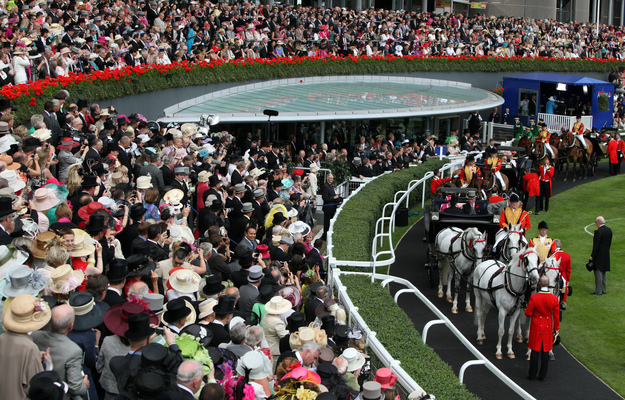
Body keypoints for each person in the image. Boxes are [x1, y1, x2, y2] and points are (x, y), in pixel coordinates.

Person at [525, 275, 560, 382]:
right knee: (545, 351)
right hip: (548, 325)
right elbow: (556, 316)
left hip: (536, 325)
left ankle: (532, 375)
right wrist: (556, 329)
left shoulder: (534, 298)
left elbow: (528, 313)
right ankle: (542, 376)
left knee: (534, 351)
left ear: (539, 284)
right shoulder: (554, 299)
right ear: (548, 284)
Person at [590, 216, 612, 295]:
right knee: (604, 272)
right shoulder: (609, 230)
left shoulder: (598, 232)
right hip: (606, 254)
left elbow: (596, 246)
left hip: (599, 255)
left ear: (599, 222)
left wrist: (592, 255)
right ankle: (603, 289)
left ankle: (598, 291)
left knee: (598, 273)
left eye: (596, 222)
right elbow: (609, 243)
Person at [551, 239, 571, 306]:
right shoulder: (567, 255)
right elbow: (568, 270)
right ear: (561, 245)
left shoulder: (552, 255)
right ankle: (562, 303)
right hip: (563, 277)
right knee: (562, 292)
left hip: (553, 276)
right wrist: (568, 280)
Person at [321, 173, 341, 241]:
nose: (332, 180)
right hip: (328, 208)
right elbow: (325, 198)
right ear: (327, 179)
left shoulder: (330, 185)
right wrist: (334, 197)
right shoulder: (325, 186)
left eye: (332, 178)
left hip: (332, 207)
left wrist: (336, 196)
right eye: (330, 178)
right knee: (327, 223)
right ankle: (325, 237)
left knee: (330, 223)